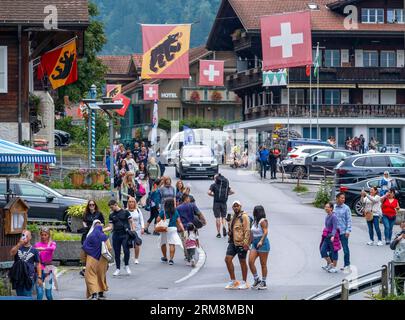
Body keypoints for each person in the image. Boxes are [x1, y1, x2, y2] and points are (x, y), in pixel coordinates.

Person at [103, 200, 135, 276]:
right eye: (110, 208)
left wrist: (133, 230)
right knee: (117, 252)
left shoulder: (125, 212)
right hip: (116, 235)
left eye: (112, 207)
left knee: (126, 251)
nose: (111, 209)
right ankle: (118, 269)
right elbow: (110, 227)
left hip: (125, 234)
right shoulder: (111, 215)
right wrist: (101, 230)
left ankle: (126, 266)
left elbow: (131, 221)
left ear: (116, 204)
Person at [224, 200, 251, 290]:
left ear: (240, 206)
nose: (236, 207)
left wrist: (246, 242)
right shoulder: (233, 217)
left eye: (237, 206)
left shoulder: (244, 217)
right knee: (227, 259)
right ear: (232, 208)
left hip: (241, 243)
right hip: (232, 242)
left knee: (242, 261)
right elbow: (232, 230)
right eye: (234, 206)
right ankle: (233, 281)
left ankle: (244, 282)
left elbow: (247, 230)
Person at [83, 220, 110, 300]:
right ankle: (101, 293)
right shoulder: (104, 236)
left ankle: (94, 294)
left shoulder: (90, 236)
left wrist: (84, 259)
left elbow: (84, 247)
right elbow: (109, 247)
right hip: (102, 259)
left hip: (91, 259)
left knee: (90, 276)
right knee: (101, 276)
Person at [9, 230, 42, 297]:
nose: (25, 237)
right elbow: (11, 253)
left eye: (27, 236)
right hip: (18, 276)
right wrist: (19, 244)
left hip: (29, 276)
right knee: (19, 296)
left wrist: (39, 277)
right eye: (23, 235)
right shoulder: (18, 247)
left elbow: (38, 264)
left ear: (30, 237)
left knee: (27, 296)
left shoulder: (34, 250)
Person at [80, 200, 105, 277]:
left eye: (93, 205)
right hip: (87, 233)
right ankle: (85, 268)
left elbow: (103, 223)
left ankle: (94, 268)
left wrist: (98, 227)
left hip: (96, 233)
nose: (91, 206)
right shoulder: (86, 214)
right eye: (90, 205)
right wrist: (86, 227)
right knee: (86, 249)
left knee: (95, 251)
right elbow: (84, 221)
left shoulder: (99, 213)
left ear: (95, 205)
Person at [177, 193, 206, 259]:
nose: (189, 199)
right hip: (192, 226)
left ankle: (187, 255)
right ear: (186, 199)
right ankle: (192, 254)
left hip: (183, 227)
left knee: (185, 241)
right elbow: (199, 213)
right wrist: (203, 220)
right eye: (189, 198)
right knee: (193, 239)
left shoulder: (178, 208)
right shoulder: (192, 205)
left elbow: (177, 219)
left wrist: (178, 227)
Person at [156, 198, 185, 265]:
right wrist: (183, 229)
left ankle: (165, 257)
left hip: (165, 229)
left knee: (163, 243)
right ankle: (171, 259)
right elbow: (179, 221)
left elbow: (157, 220)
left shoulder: (163, 212)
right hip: (173, 229)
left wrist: (163, 219)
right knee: (172, 244)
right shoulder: (175, 211)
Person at [249, 205, 270, 290]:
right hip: (254, 243)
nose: (254, 212)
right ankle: (257, 279)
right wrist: (249, 243)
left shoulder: (263, 221)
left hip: (263, 243)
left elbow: (266, 231)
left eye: (256, 211)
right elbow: (252, 233)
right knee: (250, 261)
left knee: (263, 264)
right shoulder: (255, 221)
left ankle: (264, 282)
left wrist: (261, 241)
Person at [208, 173, 235, 238]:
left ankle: (218, 233)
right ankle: (224, 226)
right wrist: (227, 194)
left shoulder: (213, 185)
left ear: (216, 179)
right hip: (224, 203)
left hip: (216, 203)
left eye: (214, 178)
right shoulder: (225, 185)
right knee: (223, 217)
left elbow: (209, 192)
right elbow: (233, 192)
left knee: (217, 218)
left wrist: (214, 195)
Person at [33, 227, 56, 300]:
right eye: (42, 235)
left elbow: (52, 248)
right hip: (39, 271)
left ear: (48, 235)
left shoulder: (52, 244)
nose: (43, 236)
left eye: (45, 235)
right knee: (39, 293)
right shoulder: (37, 244)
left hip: (48, 271)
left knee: (48, 294)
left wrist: (42, 249)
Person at [320, 202, 340, 274]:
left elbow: (335, 227)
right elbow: (327, 226)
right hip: (327, 236)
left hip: (333, 236)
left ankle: (334, 267)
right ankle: (330, 264)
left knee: (334, 251)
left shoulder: (334, 216)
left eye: (327, 207)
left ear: (331, 208)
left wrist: (333, 236)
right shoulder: (327, 216)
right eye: (325, 207)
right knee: (322, 250)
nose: (326, 208)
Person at [334, 192, 352, 273]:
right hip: (335, 232)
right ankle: (332, 265)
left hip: (343, 232)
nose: (343, 199)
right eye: (341, 198)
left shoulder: (346, 208)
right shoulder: (334, 207)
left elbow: (349, 220)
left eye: (344, 198)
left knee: (345, 249)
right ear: (337, 198)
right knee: (333, 249)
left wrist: (348, 230)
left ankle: (347, 265)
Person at [127, 197, 144, 264]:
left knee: (137, 244)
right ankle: (126, 257)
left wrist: (142, 228)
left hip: (137, 230)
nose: (131, 203)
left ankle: (136, 258)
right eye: (130, 201)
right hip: (129, 230)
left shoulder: (138, 210)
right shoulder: (126, 211)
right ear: (128, 203)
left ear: (135, 203)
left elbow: (141, 219)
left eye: (132, 201)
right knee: (127, 244)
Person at [390, 220, 405, 295]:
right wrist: (399, 238)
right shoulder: (398, 235)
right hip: (398, 262)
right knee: (399, 282)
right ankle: (400, 296)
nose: (404, 229)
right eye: (403, 227)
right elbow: (392, 246)